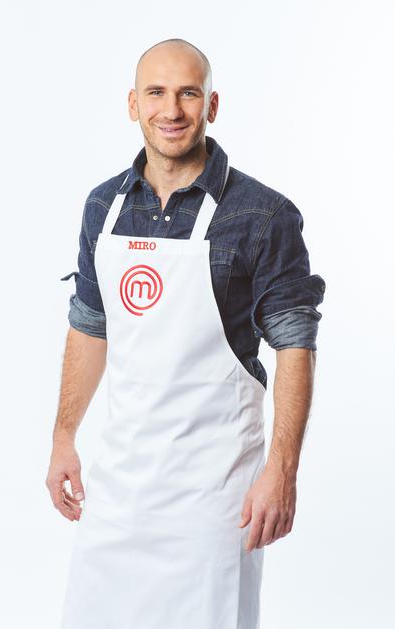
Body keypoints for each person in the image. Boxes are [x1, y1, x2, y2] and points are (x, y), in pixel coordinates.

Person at [46, 37, 326, 629]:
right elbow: (90, 326)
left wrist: (282, 470)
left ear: (212, 105)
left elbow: (295, 346)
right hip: (117, 495)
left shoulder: (263, 215)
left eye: (188, 94)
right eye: (156, 93)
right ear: (133, 104)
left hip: (214, 499)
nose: (171, 110)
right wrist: (63, 437)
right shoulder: (103, 206)